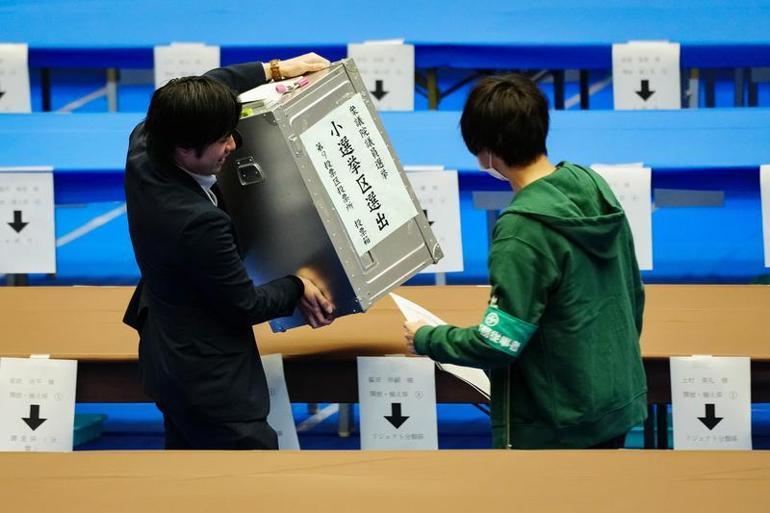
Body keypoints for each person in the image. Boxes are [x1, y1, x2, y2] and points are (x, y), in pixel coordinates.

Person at [404, 74, 647, 449]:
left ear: (485, 150)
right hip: (616, 397)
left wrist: (427, 338)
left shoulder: (521, 231)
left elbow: (498, 343)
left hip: (557, 422)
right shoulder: (592, 184)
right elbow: (633, 295)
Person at [123, 54, 335, 450]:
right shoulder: (198, 222)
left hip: (166, 352)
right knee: (251, 483)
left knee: (192, 478)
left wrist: (274, 69)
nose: (233, 145)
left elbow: (209, 83)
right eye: (223, 140)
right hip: (210, 381)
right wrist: (297, 284)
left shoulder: (146, 143)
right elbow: (244, 305)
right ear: (186, 149)